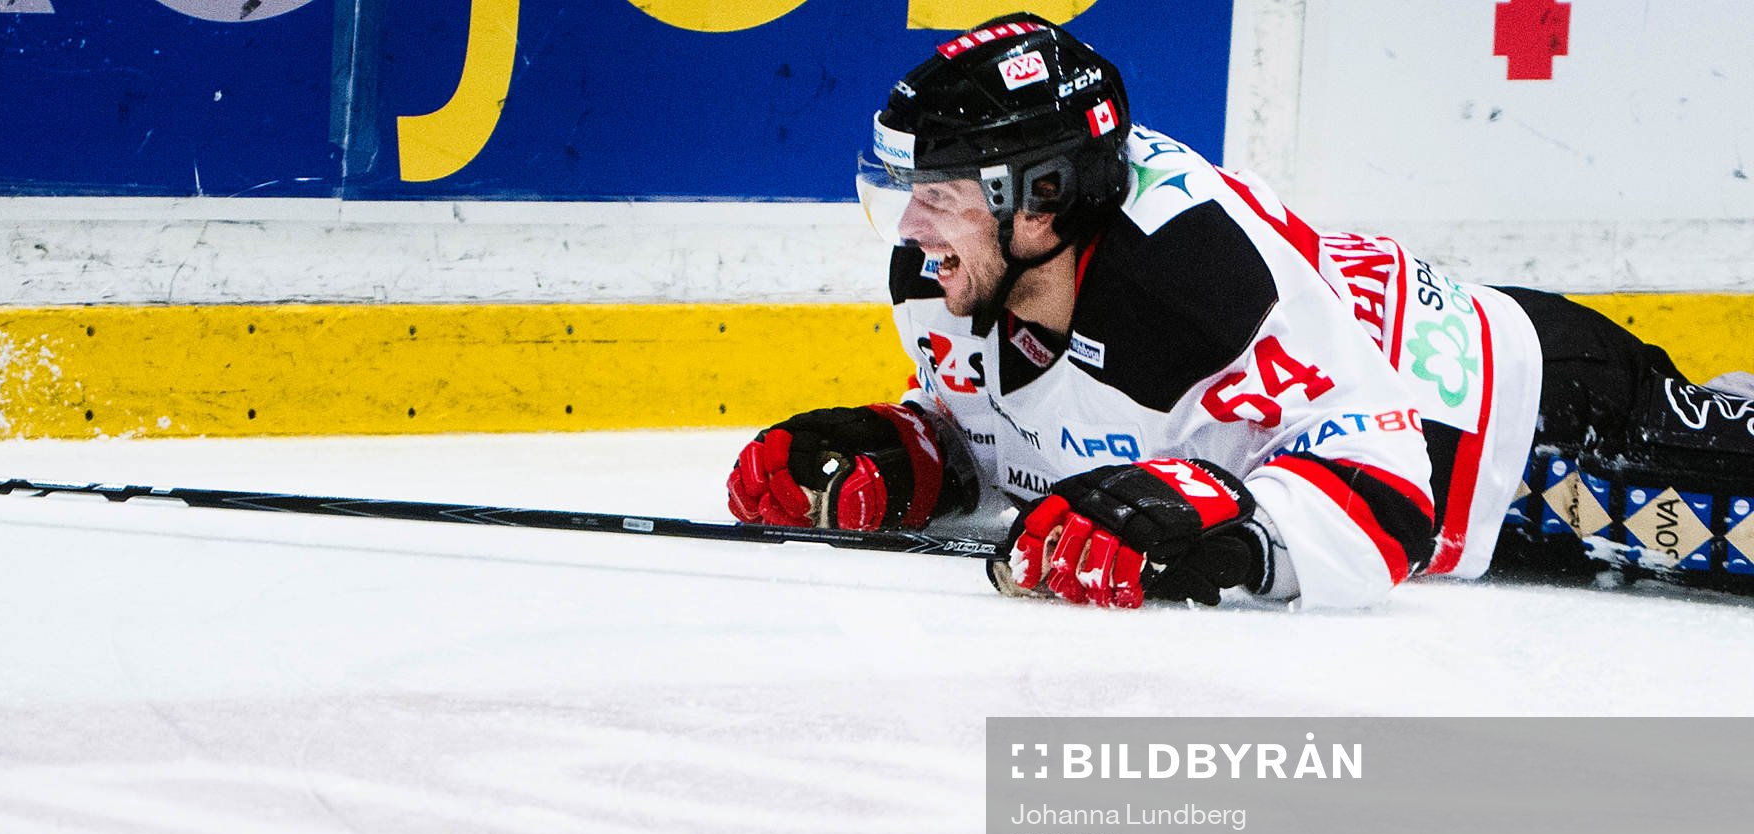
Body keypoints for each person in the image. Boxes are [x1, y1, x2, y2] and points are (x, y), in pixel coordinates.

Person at [725, 13, 1754, 608]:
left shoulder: (1195, 276)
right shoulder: (945, 272)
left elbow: (1392, 487)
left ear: (1039, 197)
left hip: (1539, 431)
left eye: (940, 194)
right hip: (1462, 430)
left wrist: (1230, 529)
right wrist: (913, 453)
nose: (910, 225)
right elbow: (1015, 437)